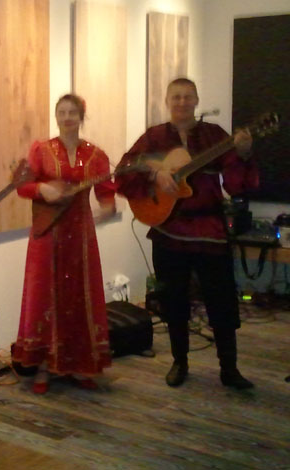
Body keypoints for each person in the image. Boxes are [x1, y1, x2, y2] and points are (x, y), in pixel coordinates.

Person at [115, 77, 257, 390]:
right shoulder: (154, 137)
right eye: (176, 97)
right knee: (173, 300)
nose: (182, 102)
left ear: (196, 100)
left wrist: (244, 154)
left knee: (221, 300)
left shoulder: (214, 136)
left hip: (209, 231)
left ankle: (229, 368)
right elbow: (124, 170)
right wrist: (156, 172)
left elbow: (237, 185)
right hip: (169, 232)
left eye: (187, 97)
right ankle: (180, 362)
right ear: (168, 101)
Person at [11, 94, 116, 394]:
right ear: (56, 116)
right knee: (47, 295)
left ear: (82, 116)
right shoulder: (41, 151)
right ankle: (43, 367)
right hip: (48, 234)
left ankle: (79, 364)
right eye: (62, 112)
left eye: (73, 112)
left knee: (79, 297)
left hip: (81, 235)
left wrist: (107, 207)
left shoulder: (96, 155)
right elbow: (21, 186)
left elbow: (106, 192)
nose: (67, 117)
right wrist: (43, 188)